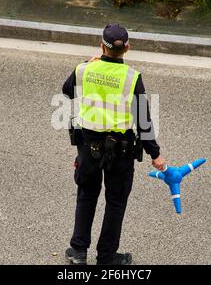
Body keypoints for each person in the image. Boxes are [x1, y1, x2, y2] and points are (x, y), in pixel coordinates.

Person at [62, 23, 166, 265]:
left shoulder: (84, 70)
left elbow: (67, 91)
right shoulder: (132, 78)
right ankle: (107, 256)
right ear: (127, 48)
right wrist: (155, 153)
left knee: (86, 195)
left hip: (88, 146)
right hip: (120, 149)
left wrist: (88, 64)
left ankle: (78, 252)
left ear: (101, 46)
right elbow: (144, 119)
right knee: (116, 201)